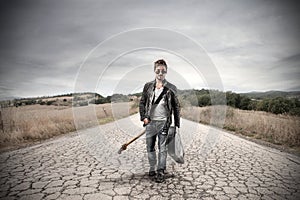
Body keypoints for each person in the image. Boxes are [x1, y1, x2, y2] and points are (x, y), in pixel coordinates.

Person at [139, 59, 180, 183]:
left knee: (162, 148)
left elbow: (176, 106)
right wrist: (144, 117)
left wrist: (176, 124)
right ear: (154, 71)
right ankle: (152, 167)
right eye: (158, 71)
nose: (160, 73)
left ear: (166, 72)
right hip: (150, 123)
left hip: (164, 123)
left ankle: (161, 171)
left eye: (163, 71)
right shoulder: (148, 86)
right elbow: (142, 103)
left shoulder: (171, 88)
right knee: (150, 147)